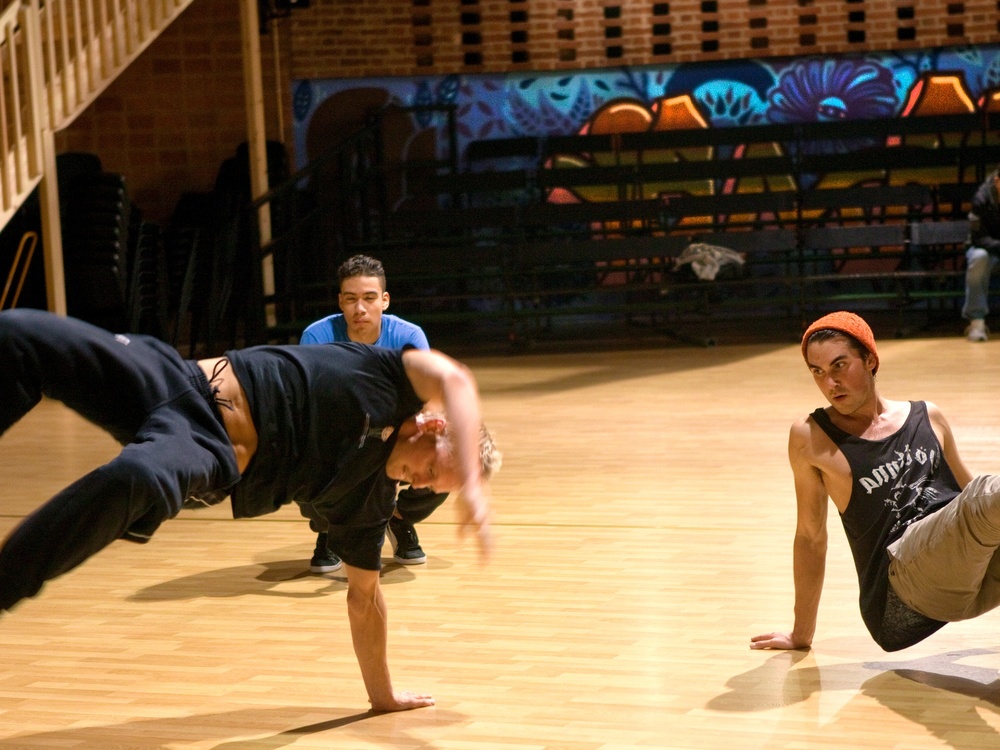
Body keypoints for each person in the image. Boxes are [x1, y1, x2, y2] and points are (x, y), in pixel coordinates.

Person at [0, 308, 500, 712]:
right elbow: (454, 377)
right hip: (175, 379)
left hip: (203, 448)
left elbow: (364, 601)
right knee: (17, 335)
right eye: (433, 471)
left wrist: (382, 695)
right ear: (436, 428)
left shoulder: (367, 502)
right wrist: (475, 490)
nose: (420, 485)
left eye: (434, 487)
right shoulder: (389, 378)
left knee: (138, 479)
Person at [750, 310, 1000, 654]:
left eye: (839, 366)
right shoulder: (811, 436)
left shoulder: (928, 415)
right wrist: (800, 634)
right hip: (903, 589)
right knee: (985, 494)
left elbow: (974, 504)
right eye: (817, 372)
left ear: (870, 359)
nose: (830, 383)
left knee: (984, 498)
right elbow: (810, 537)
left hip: (972, 576)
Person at [300, 254, 445, 572]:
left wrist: (405, 435)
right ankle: (330, 530)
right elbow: (313, 408)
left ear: (385, 300)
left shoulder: (409, 337)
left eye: (369, 298)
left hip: (394, 434)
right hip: (340, 438)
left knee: (450, 453)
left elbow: (427, 401)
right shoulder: (317, 337)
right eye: (351, 299)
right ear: (340, 301)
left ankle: (397, 518)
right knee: (299, 454)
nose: (360, 308)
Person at [962, 168, 1000, 342]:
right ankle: (977, 322)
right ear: (997, 182)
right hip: (984, 249)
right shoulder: (981, 199)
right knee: (979, 258)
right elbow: (978, 238)